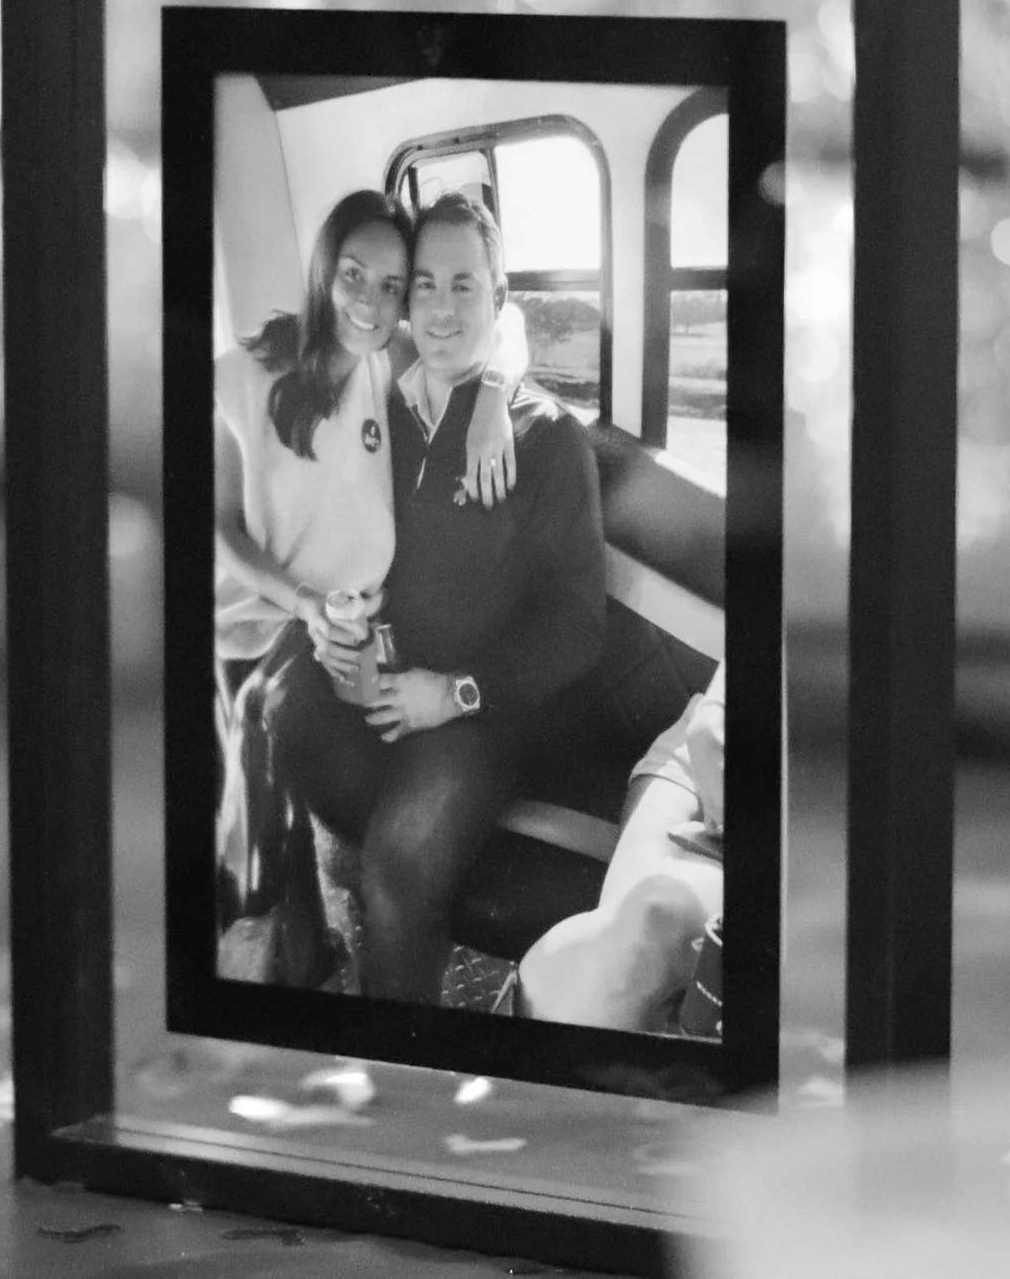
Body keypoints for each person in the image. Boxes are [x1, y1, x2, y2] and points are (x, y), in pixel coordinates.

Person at [261, 194, 610, 1004]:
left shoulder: (547, 440)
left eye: (465, 285)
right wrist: (333, 627)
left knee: (400, 863)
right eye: (425, 285)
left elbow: (575, 626)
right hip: (378, 669)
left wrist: (453, 693)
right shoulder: (381, 400)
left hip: (480, 710)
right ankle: (302, 943)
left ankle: (401, 1041)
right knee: (268, 707)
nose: (443, 308)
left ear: (499, 294)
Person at [212, 189, 520, 684]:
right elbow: (219, 528)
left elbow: (507, 324)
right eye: (353, 275)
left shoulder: (387, 359)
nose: (368, 303)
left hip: (358, 632)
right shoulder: (241, 377)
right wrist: (305, 604)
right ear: (324, 270)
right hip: (264, 638)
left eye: (390, 287)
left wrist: (493, 398)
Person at [512, 664, 725, 1033]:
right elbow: (709, 730)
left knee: (650, 929)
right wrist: (714, 717)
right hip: (712, 755)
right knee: (641, 935)